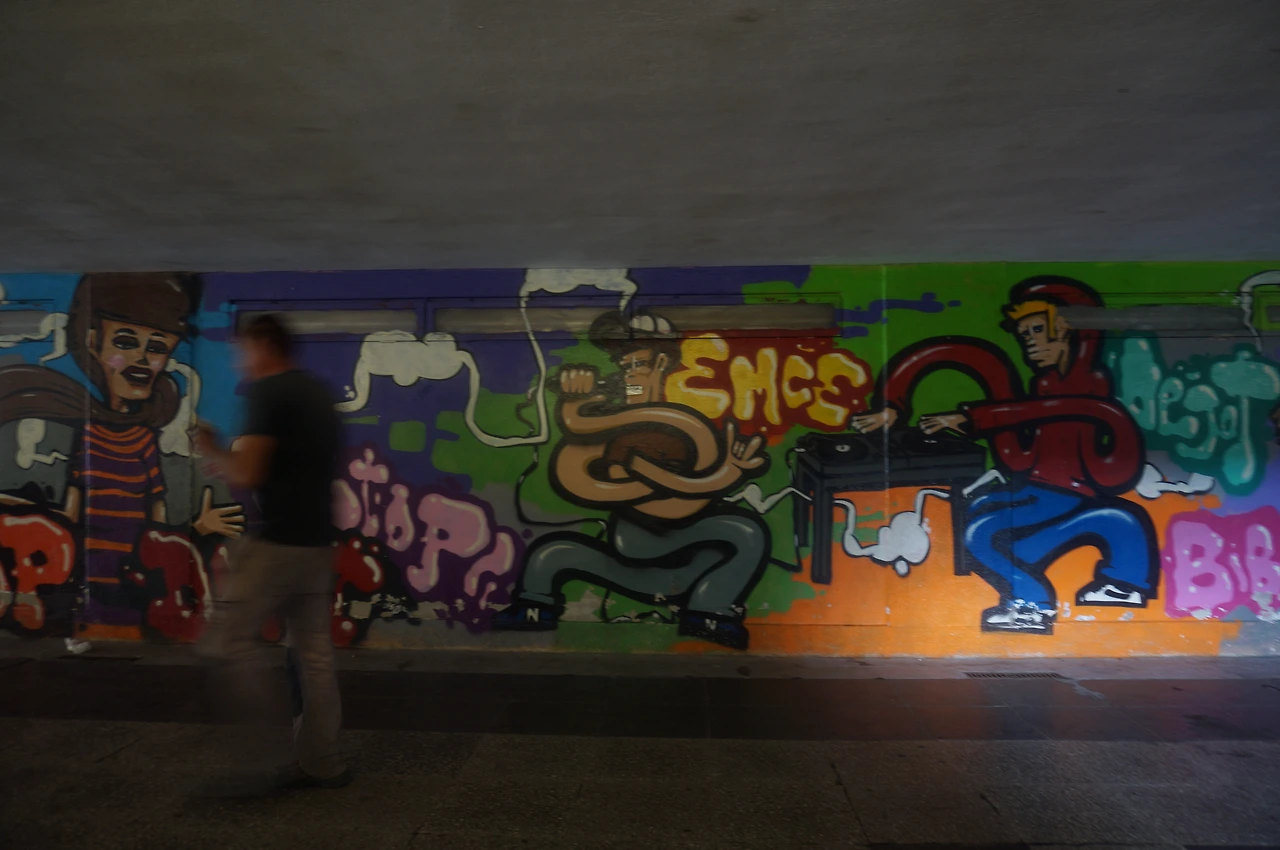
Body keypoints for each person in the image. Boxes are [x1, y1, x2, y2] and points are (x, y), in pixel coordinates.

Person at [852, 276, 1157, 634]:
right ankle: (1123, 573)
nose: (1030, 343)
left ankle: (1033, 604)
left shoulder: (1087, 382)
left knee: (980, 533)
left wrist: (974, 417)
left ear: (1066, 329)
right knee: (983, 515)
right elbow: (961, 356)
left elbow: (1068, 408)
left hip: (1062, 491)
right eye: (1025, 334)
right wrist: (893, 403)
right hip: (1039, 486)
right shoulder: (1045, 384)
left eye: (1038, 330)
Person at [494, 310, 771, 649]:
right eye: (623, 365)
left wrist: (724, 473)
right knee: (745, 532)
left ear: (661, 364)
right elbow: (581, 458)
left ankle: (708, 610)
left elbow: (682, 493)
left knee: (745, 533)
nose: (628, 373)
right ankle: (533, 608)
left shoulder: (675, 423)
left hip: (672, 548)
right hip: (634, 536)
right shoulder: (619, 421)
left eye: (637, 363)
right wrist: (573, 401)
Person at [0, 272, 242, 637]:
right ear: (93, 342)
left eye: (156, 348)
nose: (142, 359)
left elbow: (156, 531)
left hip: (136, 584)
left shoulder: (144, 441)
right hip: (86, 583)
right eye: (126, 342)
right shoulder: (87, 435)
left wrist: (197, 528)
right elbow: (70, 520)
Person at [194, 313, 347, 794]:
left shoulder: (268, 393)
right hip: (316, 542)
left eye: (242, 350)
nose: (239, 361)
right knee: (314, 656)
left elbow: (248, 473)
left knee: (228, 643)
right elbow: (292, 464)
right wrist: (237, 462)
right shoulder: (318, 393)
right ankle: (322, 763)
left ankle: (259, 754)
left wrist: (211, 448)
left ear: (262, 346)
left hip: (277, 544)